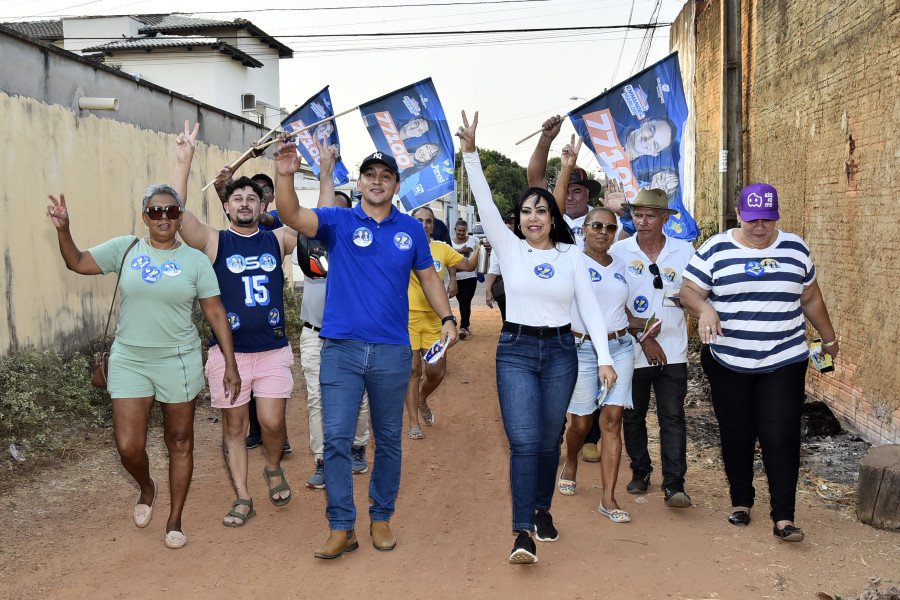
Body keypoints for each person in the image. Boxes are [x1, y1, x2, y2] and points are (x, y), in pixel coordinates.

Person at [274, 143, 458, 559]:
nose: (377, 181)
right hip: (341, 348)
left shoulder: (410, 229)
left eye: (385, 176)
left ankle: (380, 517)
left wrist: (447, 318)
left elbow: (429, 278)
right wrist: (285, 175)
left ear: (395, 185)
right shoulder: (339, 220)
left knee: (388, 439)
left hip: (392, 351)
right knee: (337, 440)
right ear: (359, 182)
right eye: (370, 174)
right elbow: (292, 216)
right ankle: (342, 526)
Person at [458, 110, 617, 565]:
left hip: (563, 351)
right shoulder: (509, 249)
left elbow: (587, 306)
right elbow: (486, 203)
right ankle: (522, 530)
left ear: (553, 217)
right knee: (525, 442)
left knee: (550, 439)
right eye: (526, 210)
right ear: (519, 218)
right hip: (516, 351)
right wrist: (471, 155)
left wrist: (604, 357)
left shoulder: (571, 256)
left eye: (541, 210)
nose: (533, 217)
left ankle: (543, 509)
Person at [47, 185, 240, 550]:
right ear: (145, 217)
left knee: (180, 440)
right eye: (155, 211)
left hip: (178, 360)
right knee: (128, 446)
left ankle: (174, 518)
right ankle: (147, 486)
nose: (163, 217)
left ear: (180, 216)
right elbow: (77, 262)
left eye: (171, 211)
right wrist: (63, 229)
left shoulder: (196, 261)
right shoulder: (126, 248)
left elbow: (215, 311)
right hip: (130, 360)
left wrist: (230, 362)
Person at [679, 183, 838, 542]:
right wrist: (704, 308)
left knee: (780, 434)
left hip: (784, 358)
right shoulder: (716, 248)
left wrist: (828, 338)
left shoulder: (796, 248)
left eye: (767, 219)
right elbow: (688, 290)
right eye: (753, 220)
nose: (760, 227)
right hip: (728, 360)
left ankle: (784, 516)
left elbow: (810, 296)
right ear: (739, 214)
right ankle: (741, 501)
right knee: (737, 432)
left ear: (776, 216)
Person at [171, 122, 300, 528]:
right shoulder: (214, 241)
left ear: (262, 207)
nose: (245, 203)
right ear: (226, 207)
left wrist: (295, 175)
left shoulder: (277, 240)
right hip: (227, 355)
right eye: (237, 198)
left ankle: (273, 465)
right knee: (236, 426)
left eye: (252, 199)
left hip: (274, 350)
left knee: (274, 423)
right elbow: (175, 214)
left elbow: (312, 216)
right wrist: (184, 161)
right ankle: (243, 496)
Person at [552, 141, 638, 523]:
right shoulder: (569, 259)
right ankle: (569, 462)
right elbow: (552, 211)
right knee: (582, 423)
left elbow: (622, 307)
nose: (603, 232)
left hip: (620, 348)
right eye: (596, 226)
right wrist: (566, 168)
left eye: (610, 227)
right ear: (583, 229)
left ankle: (609, 498)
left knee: (613, 421)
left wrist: (643, 331)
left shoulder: (621, 262)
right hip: (581, 348)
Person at [609, 188, 696, 508]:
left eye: (650, 216)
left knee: (672, 417)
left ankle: (675, 484)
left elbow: (695, 294)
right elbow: (611, 301)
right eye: (637, 215)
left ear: (664, 218)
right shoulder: (619, 251)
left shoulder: (685, 251)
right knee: (633, 416)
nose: (642, 222)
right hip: (630, 350)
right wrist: (644, 335)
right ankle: (640, 471)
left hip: (674, 349)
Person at [298, 180, 372, 490]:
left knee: (359, 397)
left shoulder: (361, 250)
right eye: (332, 214)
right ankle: (322, 461)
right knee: (317, 398)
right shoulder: (309, 245)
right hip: (314, 335)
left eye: (344, 213)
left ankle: (357, 445)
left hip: (352, 336)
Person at [406, 206, 480, 440]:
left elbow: (468, 265)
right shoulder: (400, 246)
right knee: (413, 370)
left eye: (428, 221)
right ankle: (413, 423)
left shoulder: (440, 248)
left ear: (433, 225)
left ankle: (421, 398)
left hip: (435, 321)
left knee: (436, 372)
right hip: (405, 319)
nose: (424, 225)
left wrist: (480, 249)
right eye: (418, 221)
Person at [527, 115, 602, 248]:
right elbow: (535, 178)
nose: (569, 197)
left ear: (588, 194)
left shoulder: (601, 219)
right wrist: (546, 139)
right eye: (564, 191)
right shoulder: (547, 216)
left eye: (576, 191)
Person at [484, 213, 515, 321]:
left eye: (515, 223)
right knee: (507, 320)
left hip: (525, 291)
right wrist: (488, 290)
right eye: (509, 223)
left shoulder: (528, 242)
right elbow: (494, 269)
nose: (512, 226)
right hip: (505, 289)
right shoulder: (499, 244)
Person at [450, 219, 479, 338]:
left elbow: (481, 250)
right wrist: (462, 250)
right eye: (459, 231)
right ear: (455, 230)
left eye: (463, 231)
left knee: (465, 300)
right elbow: (448, 253)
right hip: (457, 278)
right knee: (462, 301)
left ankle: (463, 327)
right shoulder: (450, 243)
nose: (461, 233)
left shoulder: (474, 240)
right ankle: (466, 325)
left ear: (467, 230)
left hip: (470, 277)